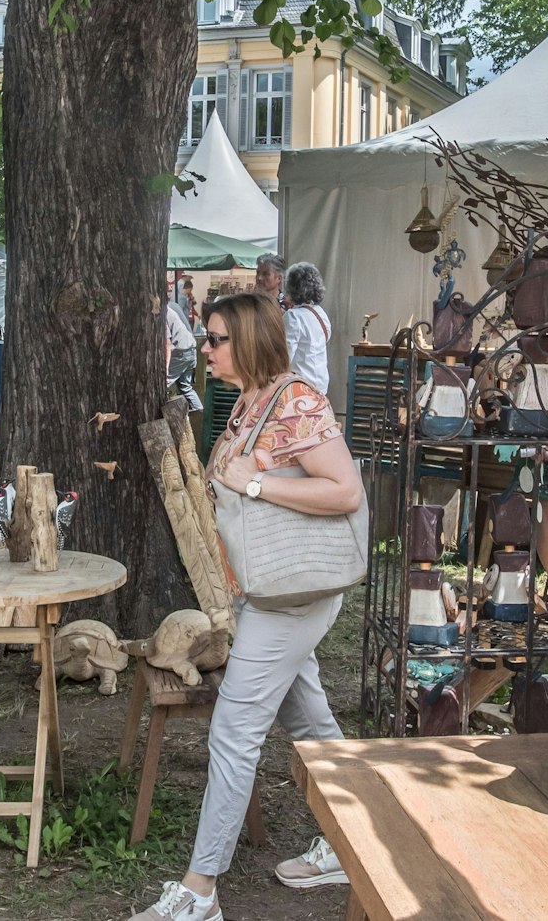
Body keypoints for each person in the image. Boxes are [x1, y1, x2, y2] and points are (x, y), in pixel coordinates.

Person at [129, 292, 363, 921]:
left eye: (215, 339)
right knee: (312, 724)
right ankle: (354, 841)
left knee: (234, 734)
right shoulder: (251, 403)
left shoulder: (296, 401)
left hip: (293, 596)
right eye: (206, 339)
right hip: (263, 591)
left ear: (251, 340)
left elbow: (344, 490)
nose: (204, 350)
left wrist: (255, 481)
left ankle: (199, 891)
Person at [281, 262, 333, 395]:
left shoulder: (293, 316)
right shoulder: (320, 313)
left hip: (300, 387)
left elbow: (284, 357)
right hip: (321, 386)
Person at [165, 298, 202, 412]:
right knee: (186, 387)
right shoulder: (173, 306)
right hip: (190, 350)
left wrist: (165, 368)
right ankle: (199, 413)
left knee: (162, 383)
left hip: (180, 352)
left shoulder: (160, 313)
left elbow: (166, 343)